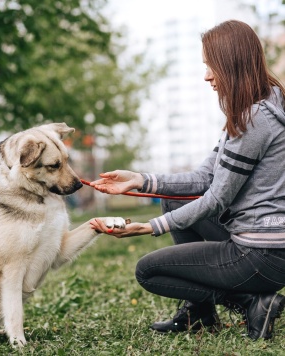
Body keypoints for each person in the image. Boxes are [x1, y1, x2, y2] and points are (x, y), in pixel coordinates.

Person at [89, 20, 285, 341]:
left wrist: (151, 226)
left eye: (211, 66)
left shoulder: (253, 121)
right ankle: (201, 314)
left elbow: (216, 199)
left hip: (263, 255)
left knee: (148, 271)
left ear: (231, 64)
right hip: (270, 247)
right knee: (174, 199)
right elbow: (204, 178)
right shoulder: (264, 108)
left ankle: (253, 301)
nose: (207, 75)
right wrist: (139, 180)